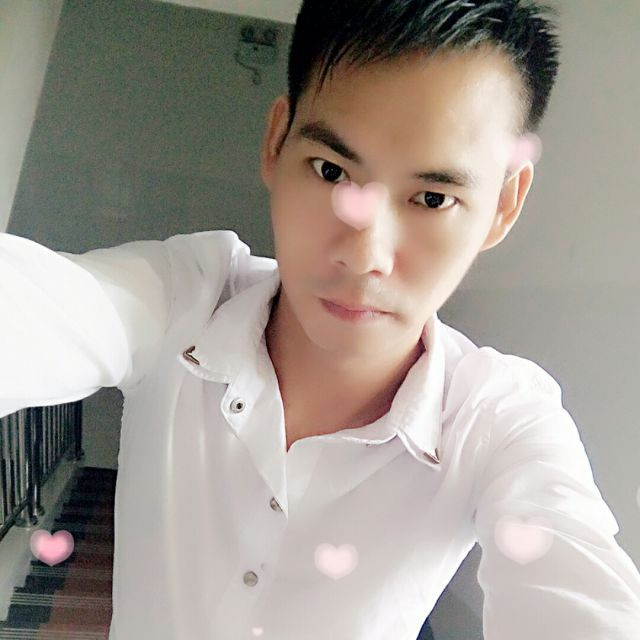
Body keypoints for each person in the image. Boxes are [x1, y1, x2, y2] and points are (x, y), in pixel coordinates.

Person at [2, 1, 640, 638]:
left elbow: (577, 589)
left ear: (502, 205)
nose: (365, 256)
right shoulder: (182, 301)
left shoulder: (496, 418)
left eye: (432, 198)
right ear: (276, 141)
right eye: (332, 171)